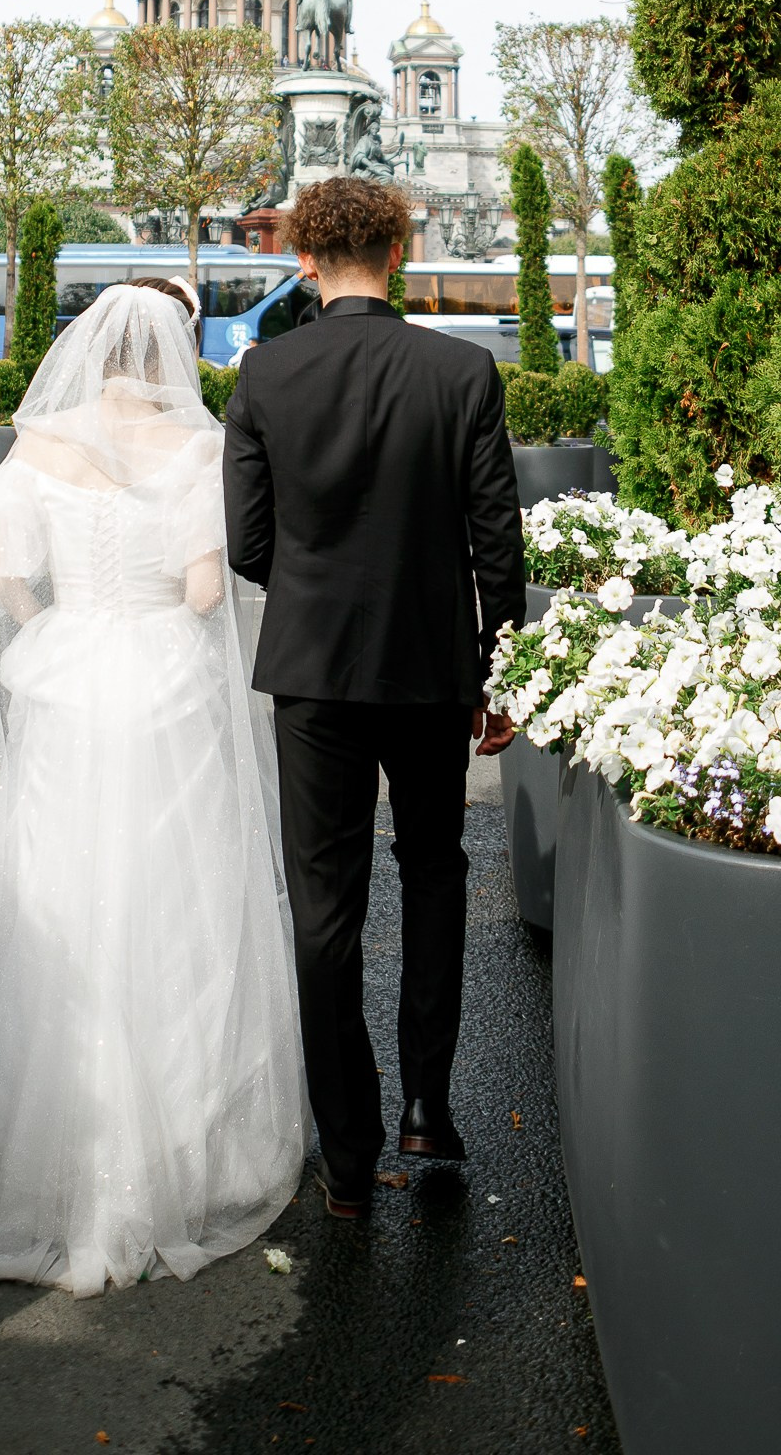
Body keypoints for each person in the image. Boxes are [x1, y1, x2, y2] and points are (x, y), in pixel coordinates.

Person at [0, 281, 305, 1294]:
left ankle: (40, 1157)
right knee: (177, 897)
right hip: (164, 681)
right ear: (171, 352)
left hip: (69, 677)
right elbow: (205, 590)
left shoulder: (42, 443)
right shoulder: (197, 449)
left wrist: (54, 626)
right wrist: (167, 611)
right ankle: (180, 1151)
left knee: (55, 886)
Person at [221, 174, 524, 1218]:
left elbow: (247, 544)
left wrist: (317, 587)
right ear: (397, 252)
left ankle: (346, 1154)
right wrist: (497, 668)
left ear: (304, 259)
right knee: (434, 869)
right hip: (432, 664)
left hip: (313, 669)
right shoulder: (462, 370)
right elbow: (496, 539)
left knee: (325, 904)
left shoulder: (265, 374)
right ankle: (427, 1105)